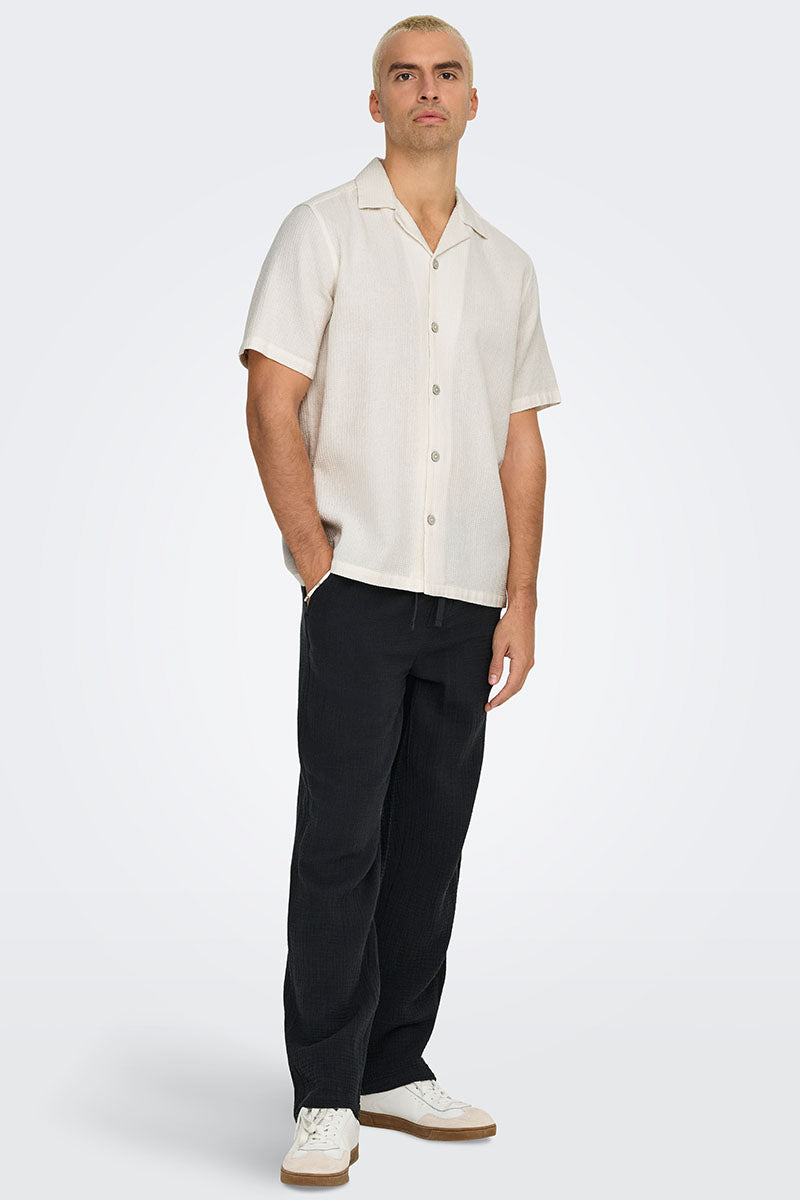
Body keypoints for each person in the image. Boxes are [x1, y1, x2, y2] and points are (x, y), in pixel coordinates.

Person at [238, 14, 562, 1187]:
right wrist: (310, 555)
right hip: (359, 587)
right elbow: (271, 395)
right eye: (403, 74)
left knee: (428, 843)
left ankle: (390, 1064)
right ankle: (324, 1092)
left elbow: (517, 440)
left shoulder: (505, 264)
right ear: (374, 101)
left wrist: (519, 595)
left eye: (447, 73)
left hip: (465, 596)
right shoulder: (321, 229)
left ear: (473, 100)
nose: (427, 89)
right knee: (340, 844)